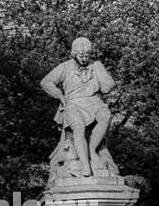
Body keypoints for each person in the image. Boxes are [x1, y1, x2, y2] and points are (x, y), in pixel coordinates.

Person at [40, 37, 116, 178]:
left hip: (93, 101)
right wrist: (59, 95)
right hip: (73, 102)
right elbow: (46, 82)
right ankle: (85, 165)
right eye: (81, 55)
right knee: (78, 126)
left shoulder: (96, 65)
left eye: (87, 55)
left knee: (105, 115)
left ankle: (92, 150)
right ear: (74, 54)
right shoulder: (65, 67)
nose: (84, 58)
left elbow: (108, 85)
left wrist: (103, 79)